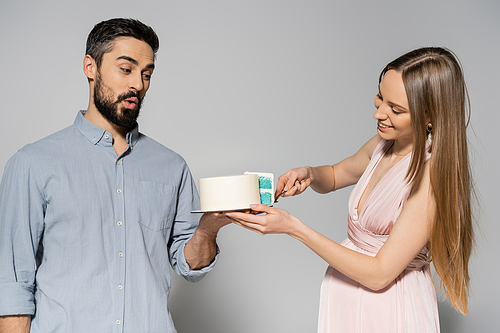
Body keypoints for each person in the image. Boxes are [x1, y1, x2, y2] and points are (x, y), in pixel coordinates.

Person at [0, 18, 230, 332]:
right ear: (90, 67)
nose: (138, 83)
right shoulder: (33, 163)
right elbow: (13, 282)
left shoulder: (172, 167)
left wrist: (208, 228)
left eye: (146, 74)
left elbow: (190, 267)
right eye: (126, 69)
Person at [228, 47, 474, 332]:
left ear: (430, 117)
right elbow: (334, 175)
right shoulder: (384, 145)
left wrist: (294, 228)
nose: (378, 113)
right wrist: (308, 173)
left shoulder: (430, 177)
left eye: (396, 109)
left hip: (389, 307)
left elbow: (380, 274)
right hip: (348, 295)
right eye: (381, 97)